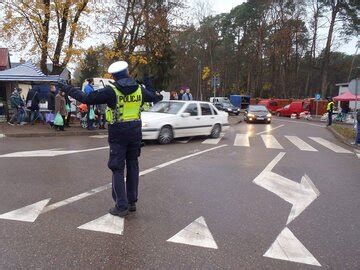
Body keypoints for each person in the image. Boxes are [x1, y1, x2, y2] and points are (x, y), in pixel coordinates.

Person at [58, 61, 162, 217]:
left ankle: (121, 206)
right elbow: (156, 97)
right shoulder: (140, 90)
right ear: (127, 72)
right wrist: (148, 81)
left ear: (113, 76)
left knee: (117, 168)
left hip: (118, 133)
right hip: (135, 132)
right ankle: (132, 201)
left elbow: (86, 97)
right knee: (133, 165)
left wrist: (66, 88)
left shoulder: (111, 91)